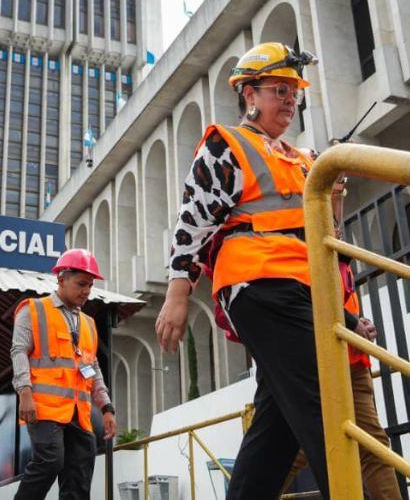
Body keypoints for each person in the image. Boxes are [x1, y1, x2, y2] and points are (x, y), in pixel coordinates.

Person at [155, 42, 366, 499]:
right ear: (249, 94)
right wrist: (177, 295)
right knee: (322, 404)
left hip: (305, 290)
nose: (290, 101)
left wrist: (336, 200)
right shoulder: (226, 145)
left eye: (295, 93)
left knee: (279, 424)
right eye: (279, 91)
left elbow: (324, 237)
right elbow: (193, 220)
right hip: (260, 284)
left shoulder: (306, 159)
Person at [281, 255, 401, 497]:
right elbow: (305, 296)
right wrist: (350, 322)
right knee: (294, 449)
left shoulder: (335, 250)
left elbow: (338, 299)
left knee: (372, 446)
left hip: (350, 361)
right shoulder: (303, 240)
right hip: (320, 360)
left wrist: (359, 323)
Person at [12, 248, 117, 500]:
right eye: (81, 284)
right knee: (50, 461)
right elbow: (19, 352)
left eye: (90, 286)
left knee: (79, 473)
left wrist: (106, 408)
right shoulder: (33, 310)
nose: (86, 291)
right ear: (61, 279)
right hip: (44, 409)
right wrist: (24, 393)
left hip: (78, 414)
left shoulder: (89, 324)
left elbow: (92, 369)